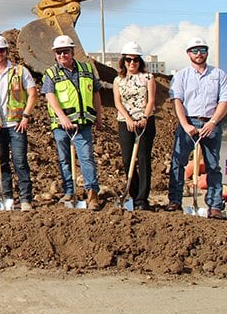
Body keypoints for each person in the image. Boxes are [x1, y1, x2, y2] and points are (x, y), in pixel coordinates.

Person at [166, 37, 227, 218]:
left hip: (211, 123)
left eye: (202, 50)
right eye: (194, 50)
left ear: (207, 52)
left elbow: (224, 101)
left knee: (213, 166)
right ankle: (175, 201)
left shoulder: (219, 75)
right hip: (188, 122)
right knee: (178, 162)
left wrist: (213, 122)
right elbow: (177, 101)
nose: (198, 54)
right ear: (188, 53)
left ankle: (215, 206)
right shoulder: (181, 76)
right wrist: (185, 125)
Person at [41, 35, 104, 210]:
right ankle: (69, 191)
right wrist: (62, 117)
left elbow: (96, 93)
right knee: (64, 159)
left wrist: (99, 117)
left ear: (72, 52)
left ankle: (92, 194)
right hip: (61, 126)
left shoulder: (86, 69)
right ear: (55, 54)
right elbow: (50, 96)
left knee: (86, 158)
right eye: (59, 52)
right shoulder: (51, 73)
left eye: (66, 51)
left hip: (82, 124)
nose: (62, 55)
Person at [0, 35, 38, 211]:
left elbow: (33, 94)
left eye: (1, 50)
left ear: (6, 51)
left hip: (16, 124)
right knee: (1, 162)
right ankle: (8, 198)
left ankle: (26, 199)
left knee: (20, 161)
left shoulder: (20, 71)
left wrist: (26, 116)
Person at [113, 41, 156, 211]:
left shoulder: (148, 78)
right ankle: (133, 193)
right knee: (127, 159)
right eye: (129, 60)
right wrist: (128, 119)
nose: (132, 63)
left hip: (145, 121)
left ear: (140, 62)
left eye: (135, 60)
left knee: (144, 159)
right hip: (125, 122)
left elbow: (151, 99)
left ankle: (142, 199)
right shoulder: (118, 80)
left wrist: (144, 117)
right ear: (123, 61)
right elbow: (117, 102)